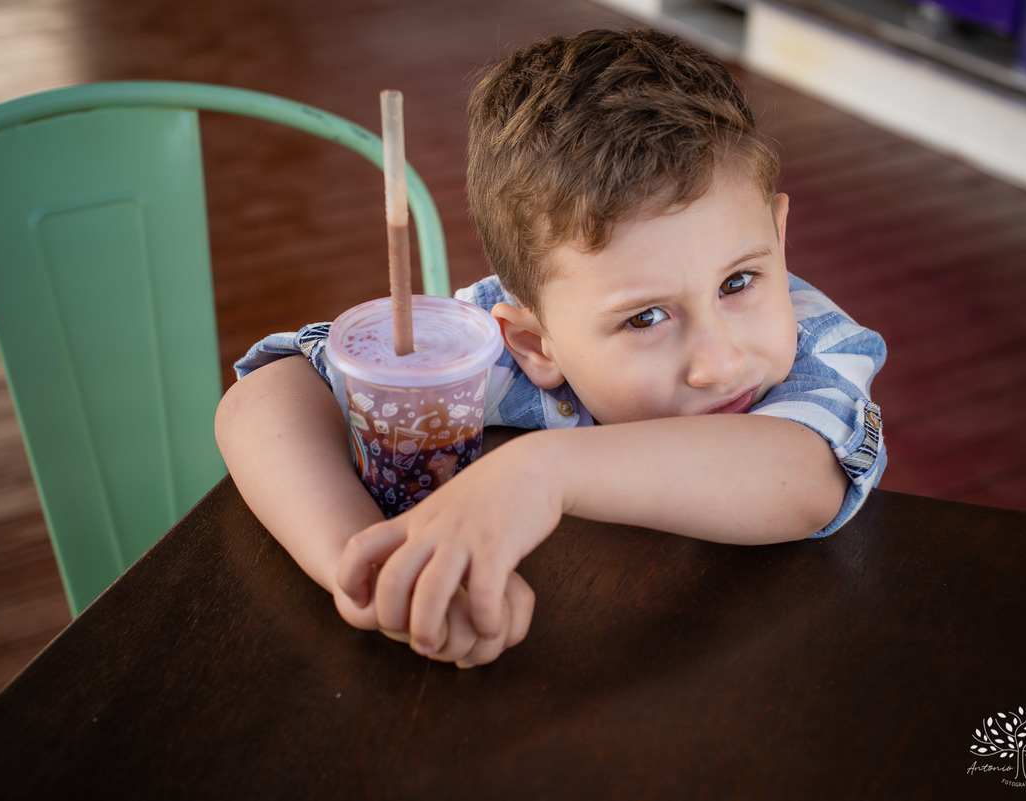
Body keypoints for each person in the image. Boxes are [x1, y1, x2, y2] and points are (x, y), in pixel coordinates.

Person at [215, 28, 886, 669]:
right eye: (646, 317)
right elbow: (264, 397)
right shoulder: (500, 339)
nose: (720, 361)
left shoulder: (814, 341)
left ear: (778, 235)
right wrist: (368, 562)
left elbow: (806, 481)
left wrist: (543, 472)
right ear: (537, 345)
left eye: (738, 281)